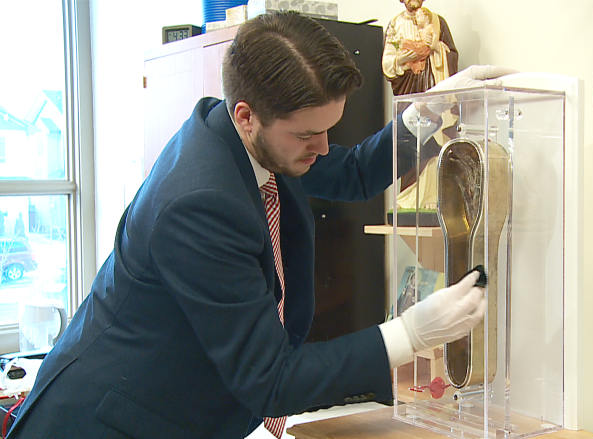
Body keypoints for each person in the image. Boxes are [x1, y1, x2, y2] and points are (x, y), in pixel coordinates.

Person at [7, 12, 511, 439]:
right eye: (309, 134)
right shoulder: (198, 203)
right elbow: (269, 380)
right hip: (102, 423)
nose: (322, 146)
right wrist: (410, 333)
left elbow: (355, 171)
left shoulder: (256, 140)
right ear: (248, 115)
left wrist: (425, 113)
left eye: (329, 129)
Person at [382, 0, 458, 95]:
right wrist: (400, 60)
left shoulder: (437, 22)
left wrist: (437, 47)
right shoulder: (395, 24)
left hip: (431, 88)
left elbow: (452, 57)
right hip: (407, 89)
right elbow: (387, 62)